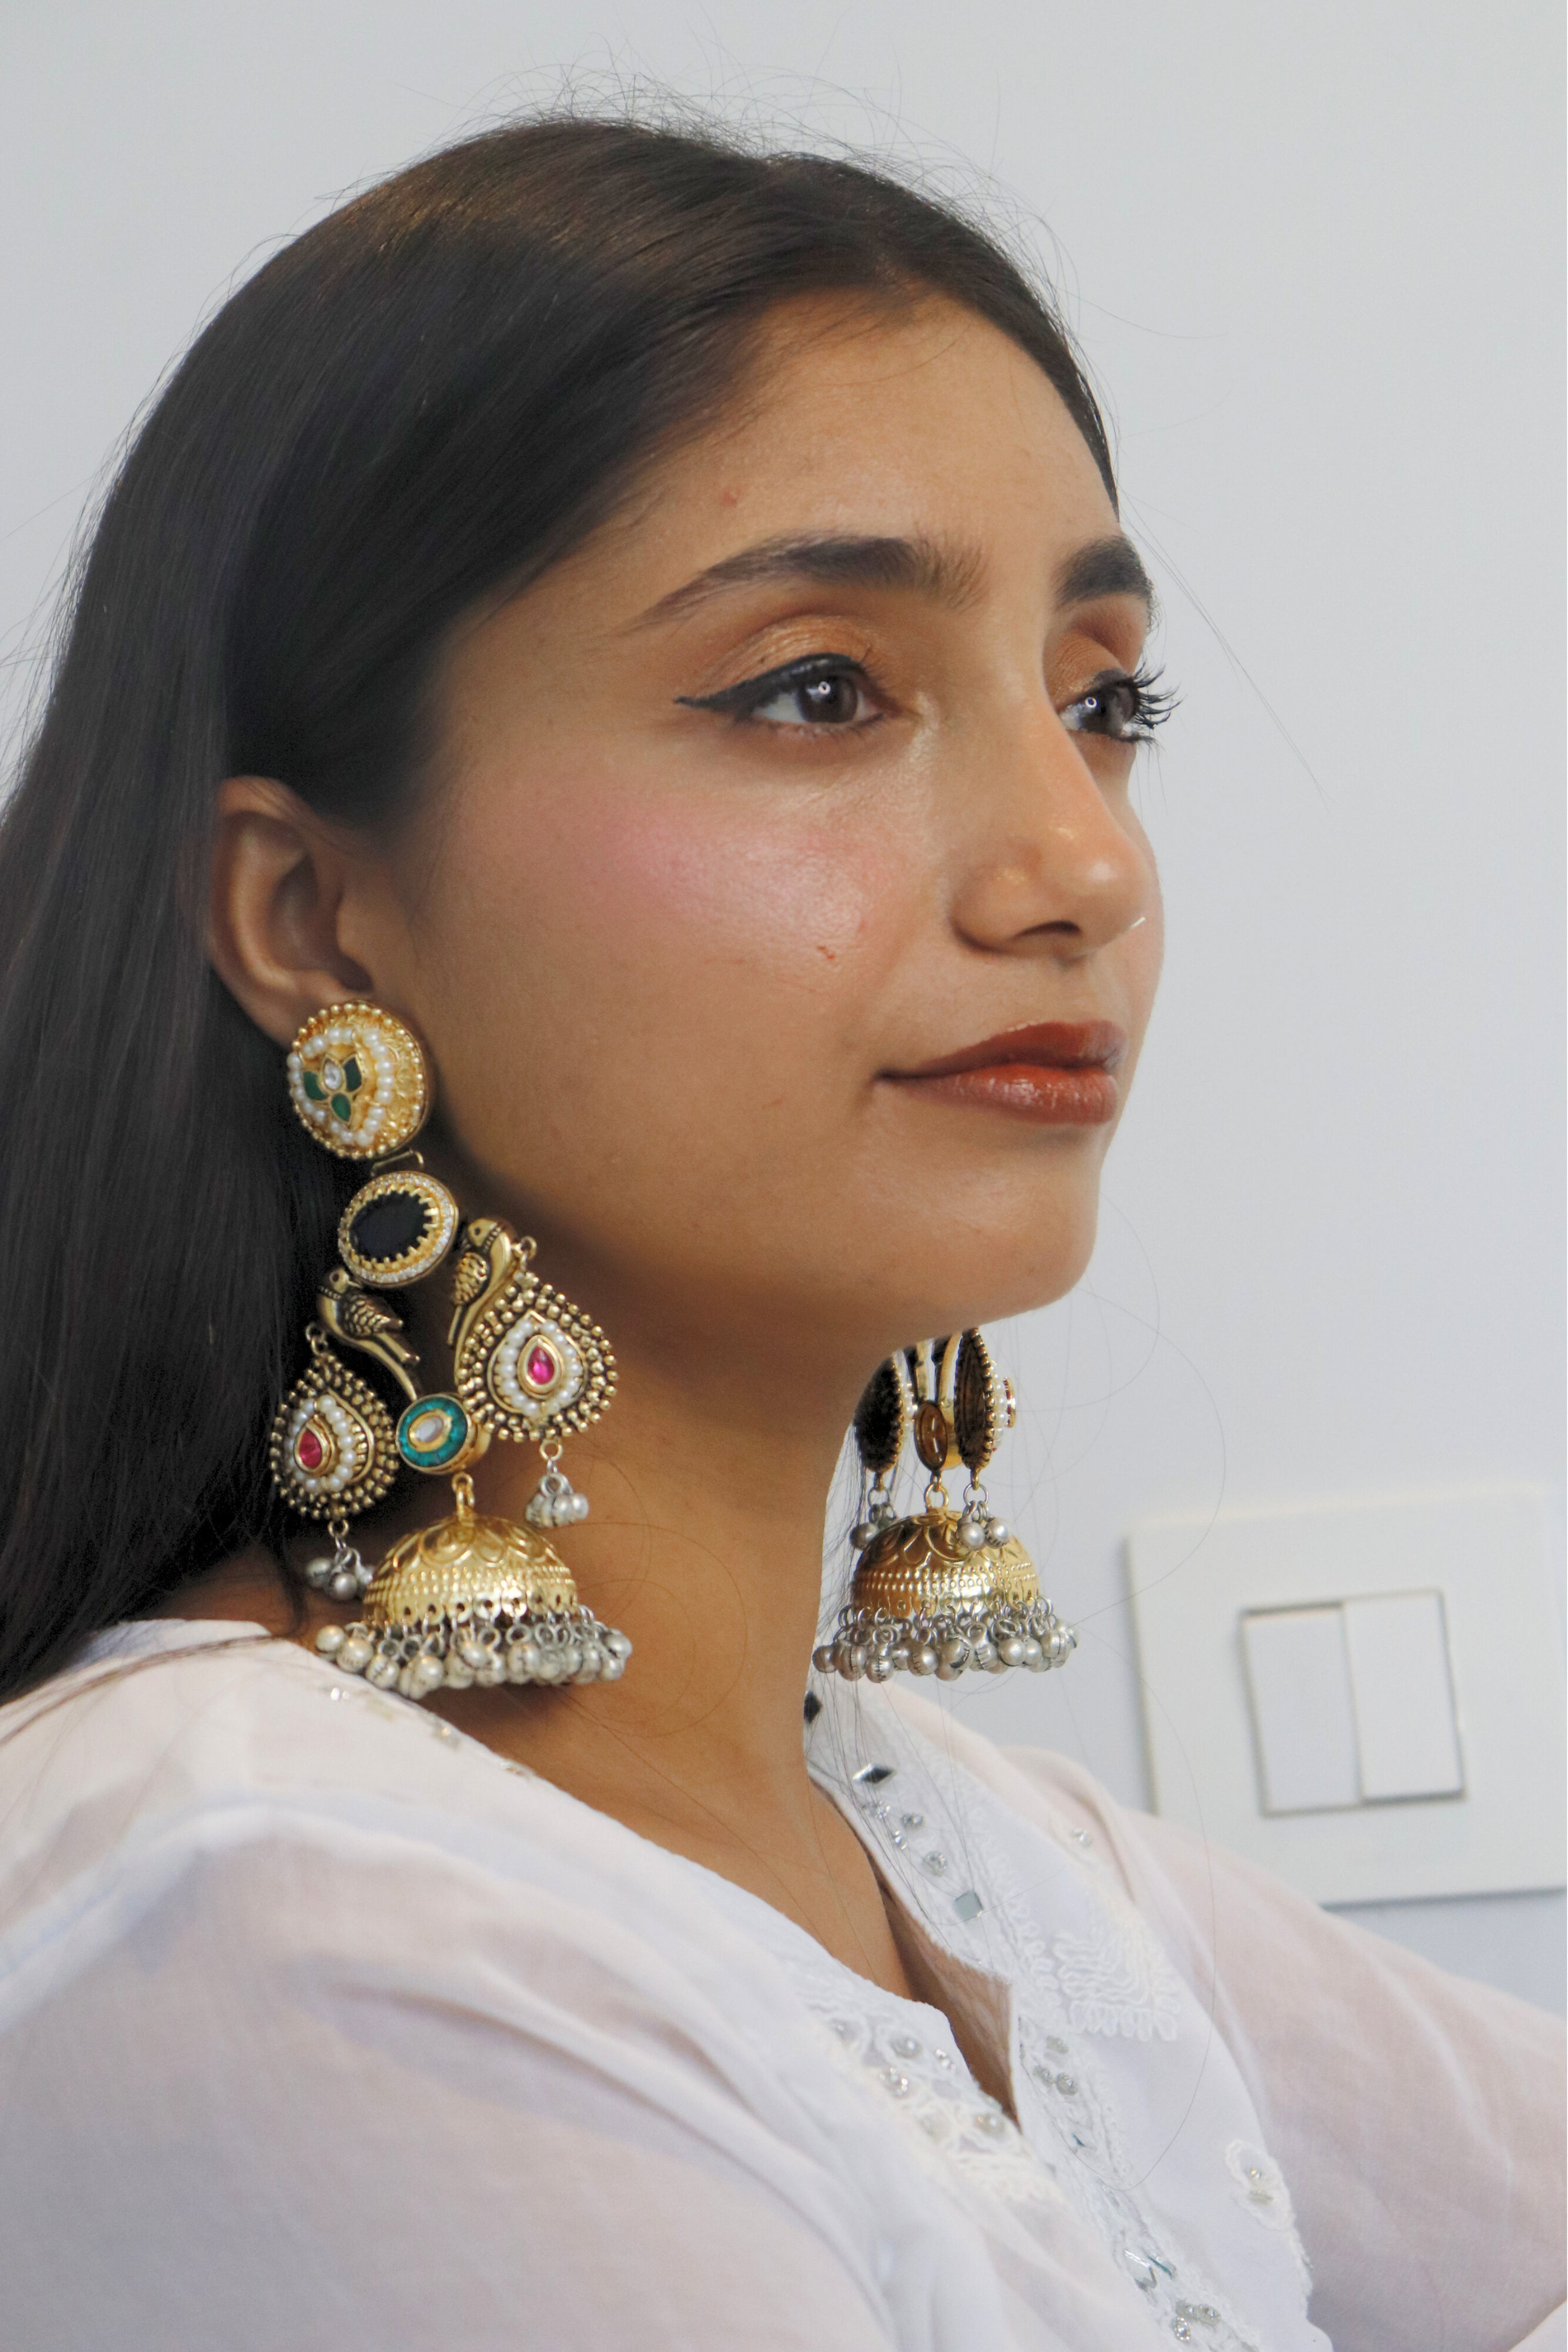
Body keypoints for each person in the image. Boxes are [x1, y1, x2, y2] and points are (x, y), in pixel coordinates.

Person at [0, 113, 1558, 2352]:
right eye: (820, 689)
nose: (1083, 864)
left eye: (1103, 700)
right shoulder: (273, 1910)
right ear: (313, 915)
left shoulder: (977, 1857)